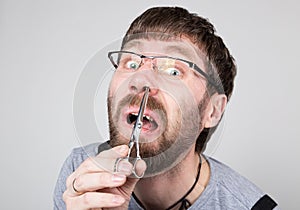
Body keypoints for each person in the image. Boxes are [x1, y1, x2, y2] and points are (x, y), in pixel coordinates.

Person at [54, 6, 279, 210]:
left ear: (212, 111)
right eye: (131, 63)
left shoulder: (252, 207)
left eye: (173, 71)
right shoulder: (82, 173)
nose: (140, 79)